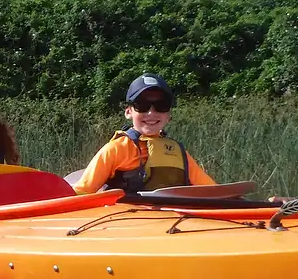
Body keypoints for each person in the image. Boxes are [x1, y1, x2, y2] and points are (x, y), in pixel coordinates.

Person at [72, 73, 216, 195]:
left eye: (161, 105)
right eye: (142, 105)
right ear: (129, 112)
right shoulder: (116, 149)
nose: (151, 113)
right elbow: (83, 191)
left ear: (168, 114)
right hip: (127, 222)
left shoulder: (179, 152)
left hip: (172, 222)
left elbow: (213, 192)